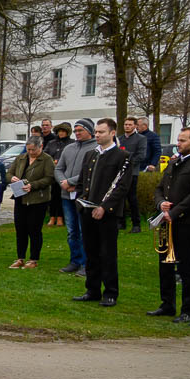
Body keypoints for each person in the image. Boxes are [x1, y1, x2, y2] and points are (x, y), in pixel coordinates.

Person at [74, 117, 130, 308]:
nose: (97, 135)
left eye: (101, 132)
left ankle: (110, 293)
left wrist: (104, 208)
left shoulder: (122, 156)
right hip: (87, 211)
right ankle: (92, 289)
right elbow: (83, 181)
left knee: (107, 254)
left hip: (107, 214)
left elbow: (122, 187)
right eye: (96, 132)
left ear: (112, 133)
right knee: (91, 252)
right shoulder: (91, 154)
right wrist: (80, 202)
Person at [151, 128, 190, 322]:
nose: (178, 143)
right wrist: (161, 204)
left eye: (183, 140)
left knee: (187, 267)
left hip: (187, 222)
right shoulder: (175, 162)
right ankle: (167, 304)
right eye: (178, 140)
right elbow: (160, 188)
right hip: (167, 221)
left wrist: (175, 212)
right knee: (165, 265)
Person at [8, 136, 55, 269]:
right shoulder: (21, 158)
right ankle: (20, 257)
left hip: (38, 200)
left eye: (33, 150)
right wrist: (12, 178)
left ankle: (33, 258)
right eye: (28, 149)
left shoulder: (46, 159)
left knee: (34, 229)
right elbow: (9, 173)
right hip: (20, 198)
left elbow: (50, 178)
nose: (30, 152)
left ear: (40, 147)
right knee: (20, 229)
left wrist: (33, 185)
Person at [55, 119, 94, 273]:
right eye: (76, 130)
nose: (77, 133)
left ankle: (86, 263)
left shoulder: (95, 149)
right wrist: (63, 182)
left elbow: (90, 171)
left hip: (83, 195)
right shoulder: (69, 148)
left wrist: (71, 182)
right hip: (66, 195)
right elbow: (58, 168)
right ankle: (75, 260)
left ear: (89, 131)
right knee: (72, 231)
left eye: (80, 130)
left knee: (84, 229)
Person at [43, 124, 72, 227]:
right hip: (52, 172)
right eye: (59, 131)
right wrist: (52, 161)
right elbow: (45, 155)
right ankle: (52, 217)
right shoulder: (52, 143)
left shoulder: (71, 143)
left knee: (61, 195)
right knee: (53, 195)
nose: (61, 133)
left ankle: (60, 217)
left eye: (63, 131)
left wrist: (60, 162)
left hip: (65, 173)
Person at [122, 116, 146, 233]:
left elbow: (141, 155)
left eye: (130, 125)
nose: (127, 126)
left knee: (132, 199)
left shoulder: (141, 139)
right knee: (119, 198)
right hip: (119, 173)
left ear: (135, 126)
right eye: (126, 124)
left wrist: (128, 163)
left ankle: (136, 224)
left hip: (132, 173)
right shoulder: (119, 139)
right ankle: (121, 222)